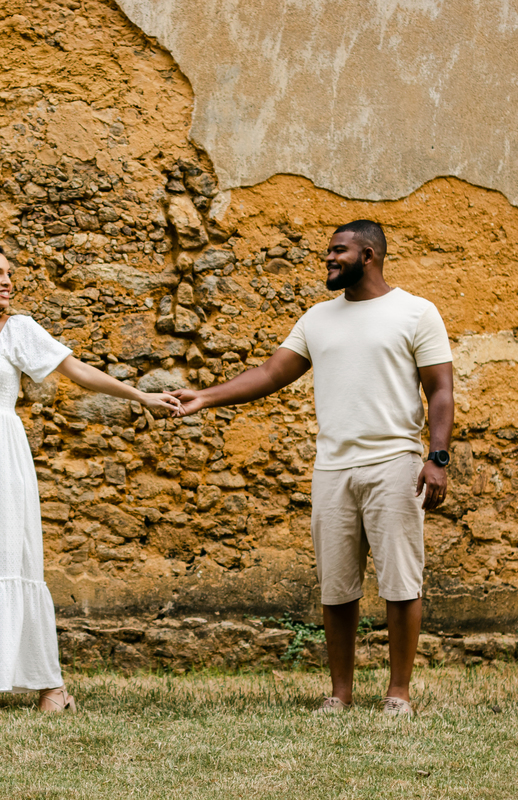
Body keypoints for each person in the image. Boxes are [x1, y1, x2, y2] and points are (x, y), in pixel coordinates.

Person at [169, 220, 454, 716]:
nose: (329, 258)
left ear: (368, 255)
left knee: (401, 583)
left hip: (395, 463)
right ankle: (339, 694)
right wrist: (205, 397)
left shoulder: (416, 312)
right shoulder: (317, 318)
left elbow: (441, 390)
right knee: (337, 588)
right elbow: (270, 373)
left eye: (338, 251)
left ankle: (398, 694)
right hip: (332, 469)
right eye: (329, 251)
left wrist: (437, 457)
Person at [0, 242, 183, 713]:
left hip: (0, 456)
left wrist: (141, 396)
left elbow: (77, 371)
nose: (7, 281)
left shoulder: (18, 329)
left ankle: (51, 688)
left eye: (8, 273)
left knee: (10, 561)